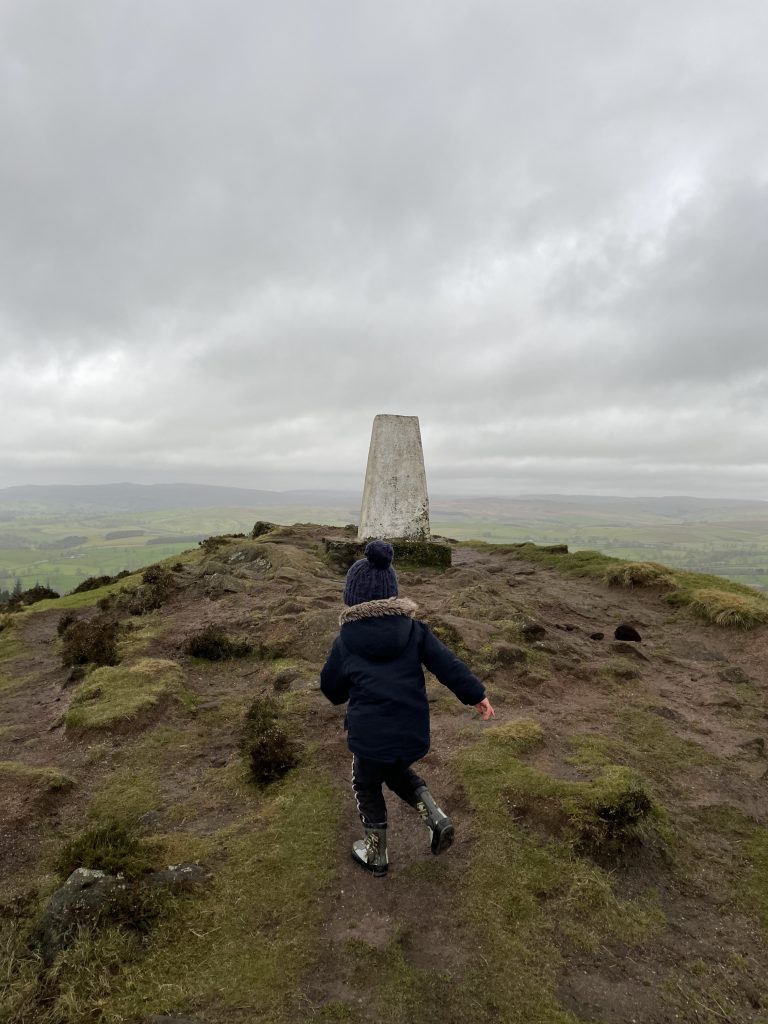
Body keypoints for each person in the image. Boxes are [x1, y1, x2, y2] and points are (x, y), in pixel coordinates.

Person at [320, 539, 495, 877]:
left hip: (369, 738)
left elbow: (332, 690)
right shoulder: (414, 631)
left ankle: (375, 853)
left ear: (352, 597)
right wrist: (476, 694)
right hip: (411, 731)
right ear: (394, 595)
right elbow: (447, 665)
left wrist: (343, 684)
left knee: (365, 783)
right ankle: (435, 816)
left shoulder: (346, 643)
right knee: (396, 770)